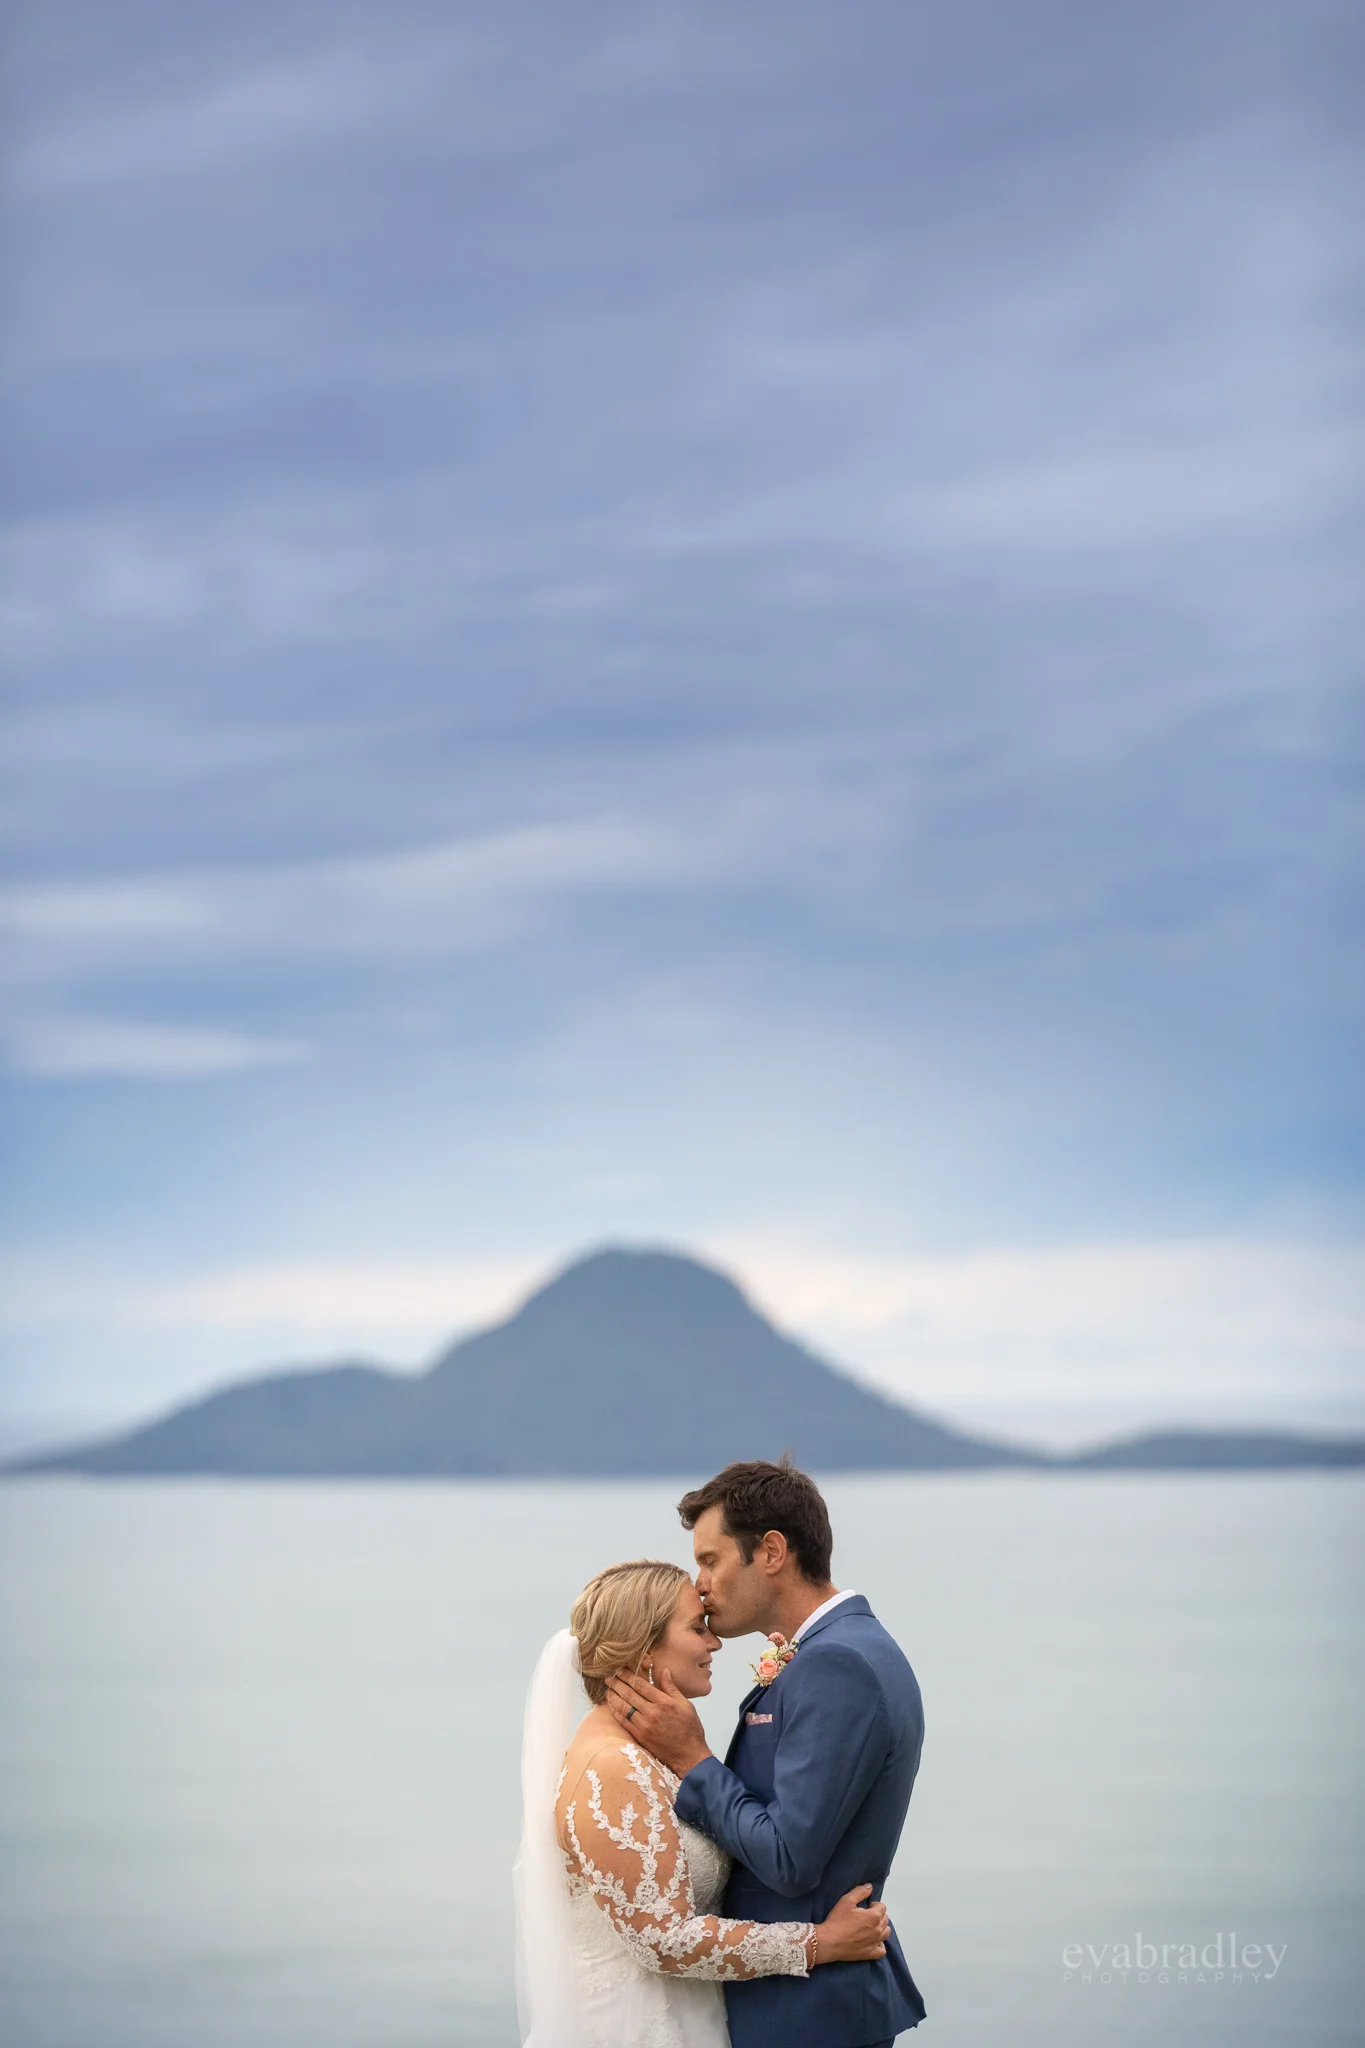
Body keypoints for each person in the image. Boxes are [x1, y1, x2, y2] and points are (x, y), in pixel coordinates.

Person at [605, 1459, 927, 2048]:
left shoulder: (838, 1665)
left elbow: (787, 1857)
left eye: (711, 1560)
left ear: (772, 1552)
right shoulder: (838, 1650)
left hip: (805, 2016)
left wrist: (693, 1759)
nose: (699, 1582)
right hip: (806, 2003)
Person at [515, 1557, 891, 2047]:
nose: (715, 1642)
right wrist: (820, 1942)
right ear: (644, 1647)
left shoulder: (652, 1750)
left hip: (690, 2018)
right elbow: (663, 1941)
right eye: (697, 1628)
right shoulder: (612, 1768)